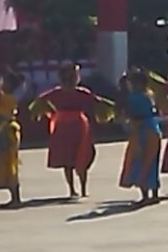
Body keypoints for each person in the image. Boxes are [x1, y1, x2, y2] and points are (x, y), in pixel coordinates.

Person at [30, 63, 112, 198]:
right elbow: (98, 102)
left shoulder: (56, 93)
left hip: (62, 125)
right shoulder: (81, 92)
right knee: (82, 155)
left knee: (67, 159)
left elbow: (39, 102)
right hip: (78, 125)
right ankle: (83, 189)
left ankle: (72, 189)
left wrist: (50, 112)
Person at [118, 70, 162, 205]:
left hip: (140, 130)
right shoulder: (150, 95)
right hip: (153, 128)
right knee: (153, 161)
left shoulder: (133, 97)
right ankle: (155, 194)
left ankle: (145, 195)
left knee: (140, 161)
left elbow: (127, 112)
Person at [0, 70, 23, 207]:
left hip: (6, 132)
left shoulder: (7, 98)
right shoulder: (5, 97)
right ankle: (14, 197)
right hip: (2, 131)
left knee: (9, 164)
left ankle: (15, 197)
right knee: (6, 164)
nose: (2, 84)